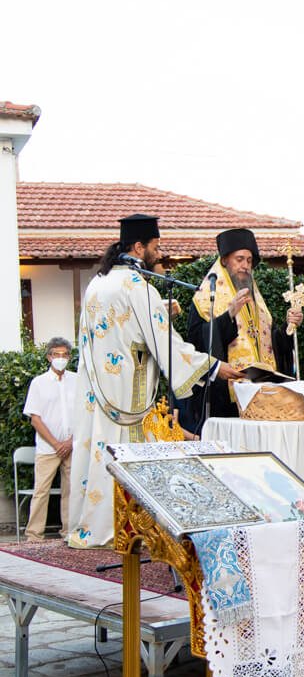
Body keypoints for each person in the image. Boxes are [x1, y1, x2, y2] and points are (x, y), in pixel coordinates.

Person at [68, 214, 239, 548]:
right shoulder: (136, 286)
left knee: (98, 452)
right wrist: (215, 367)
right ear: (138, 247)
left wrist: (161, 307)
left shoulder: (97, 284)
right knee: (127, 454)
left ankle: (91, 526)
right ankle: (127, 528)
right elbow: (168, 345)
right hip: (127, 393)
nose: (158, 254)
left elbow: (117, 325)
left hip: (98, 390)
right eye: (155, 247)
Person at [185, 228, 302, 426]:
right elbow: (196, 341)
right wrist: (229, 314)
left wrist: (288, 328)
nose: (245, 266)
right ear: (224, 261)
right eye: (239, 259)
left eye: (249, 261)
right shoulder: (205, 299)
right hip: (225, 398)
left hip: (261, 394)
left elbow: (269, 343)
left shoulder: (257, 301)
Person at [22, 337, 78, 541]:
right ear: (49, 357)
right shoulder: (39, 383)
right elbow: (35, 419)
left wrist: (70, 442)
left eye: (64, 354)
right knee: (41, 491)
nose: (60, 358)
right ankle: (34, 535)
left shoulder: (77, 380)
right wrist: (56, 444)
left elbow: (83, 414)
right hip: (48, 448)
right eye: (56, 354)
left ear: (69, 357)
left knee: (71, 491)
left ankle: (69, 532)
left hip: (72, 446)